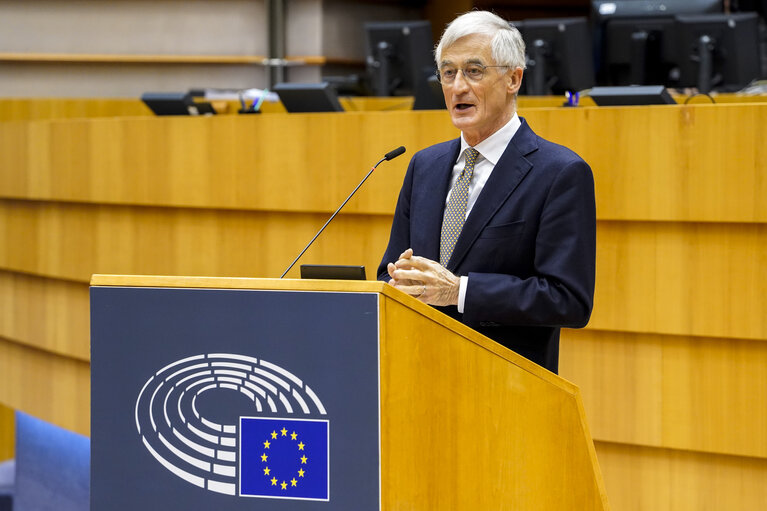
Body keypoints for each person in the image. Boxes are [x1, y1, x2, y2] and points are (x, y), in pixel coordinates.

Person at [377, 10, 596, 374]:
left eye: (474, 71)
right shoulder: (424, 166)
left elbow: (568, 300)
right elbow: (389, 273)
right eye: (448, 73)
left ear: (514, 78)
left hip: (507, 385)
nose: (458, 86)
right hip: (419, 376)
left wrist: (460, 291)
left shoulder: (559, 172)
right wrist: (398, 283)